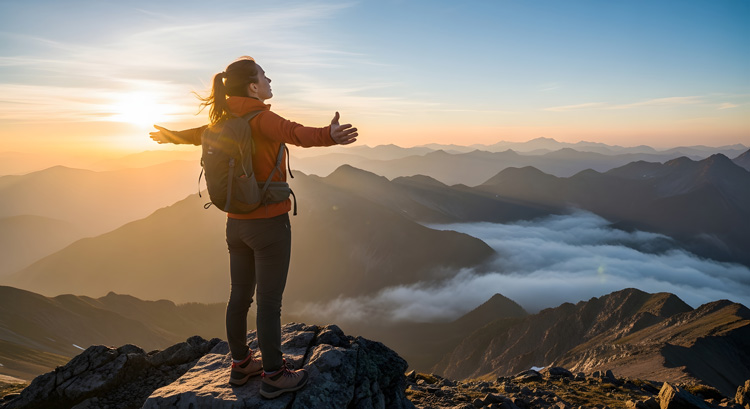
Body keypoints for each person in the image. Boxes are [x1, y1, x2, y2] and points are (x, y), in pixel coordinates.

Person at [149, 56, 358, 398]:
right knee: (269, 303)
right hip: (269, 226)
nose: (270, 79)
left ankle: (242, 364)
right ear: (253, 86)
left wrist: (170, 136)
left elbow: (197, 136)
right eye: (264, 75)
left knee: (239, 296)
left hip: (235, 225)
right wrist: (330, 135)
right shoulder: (261, 118)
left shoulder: (222, 119)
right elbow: (296, 134)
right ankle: (275, 375)